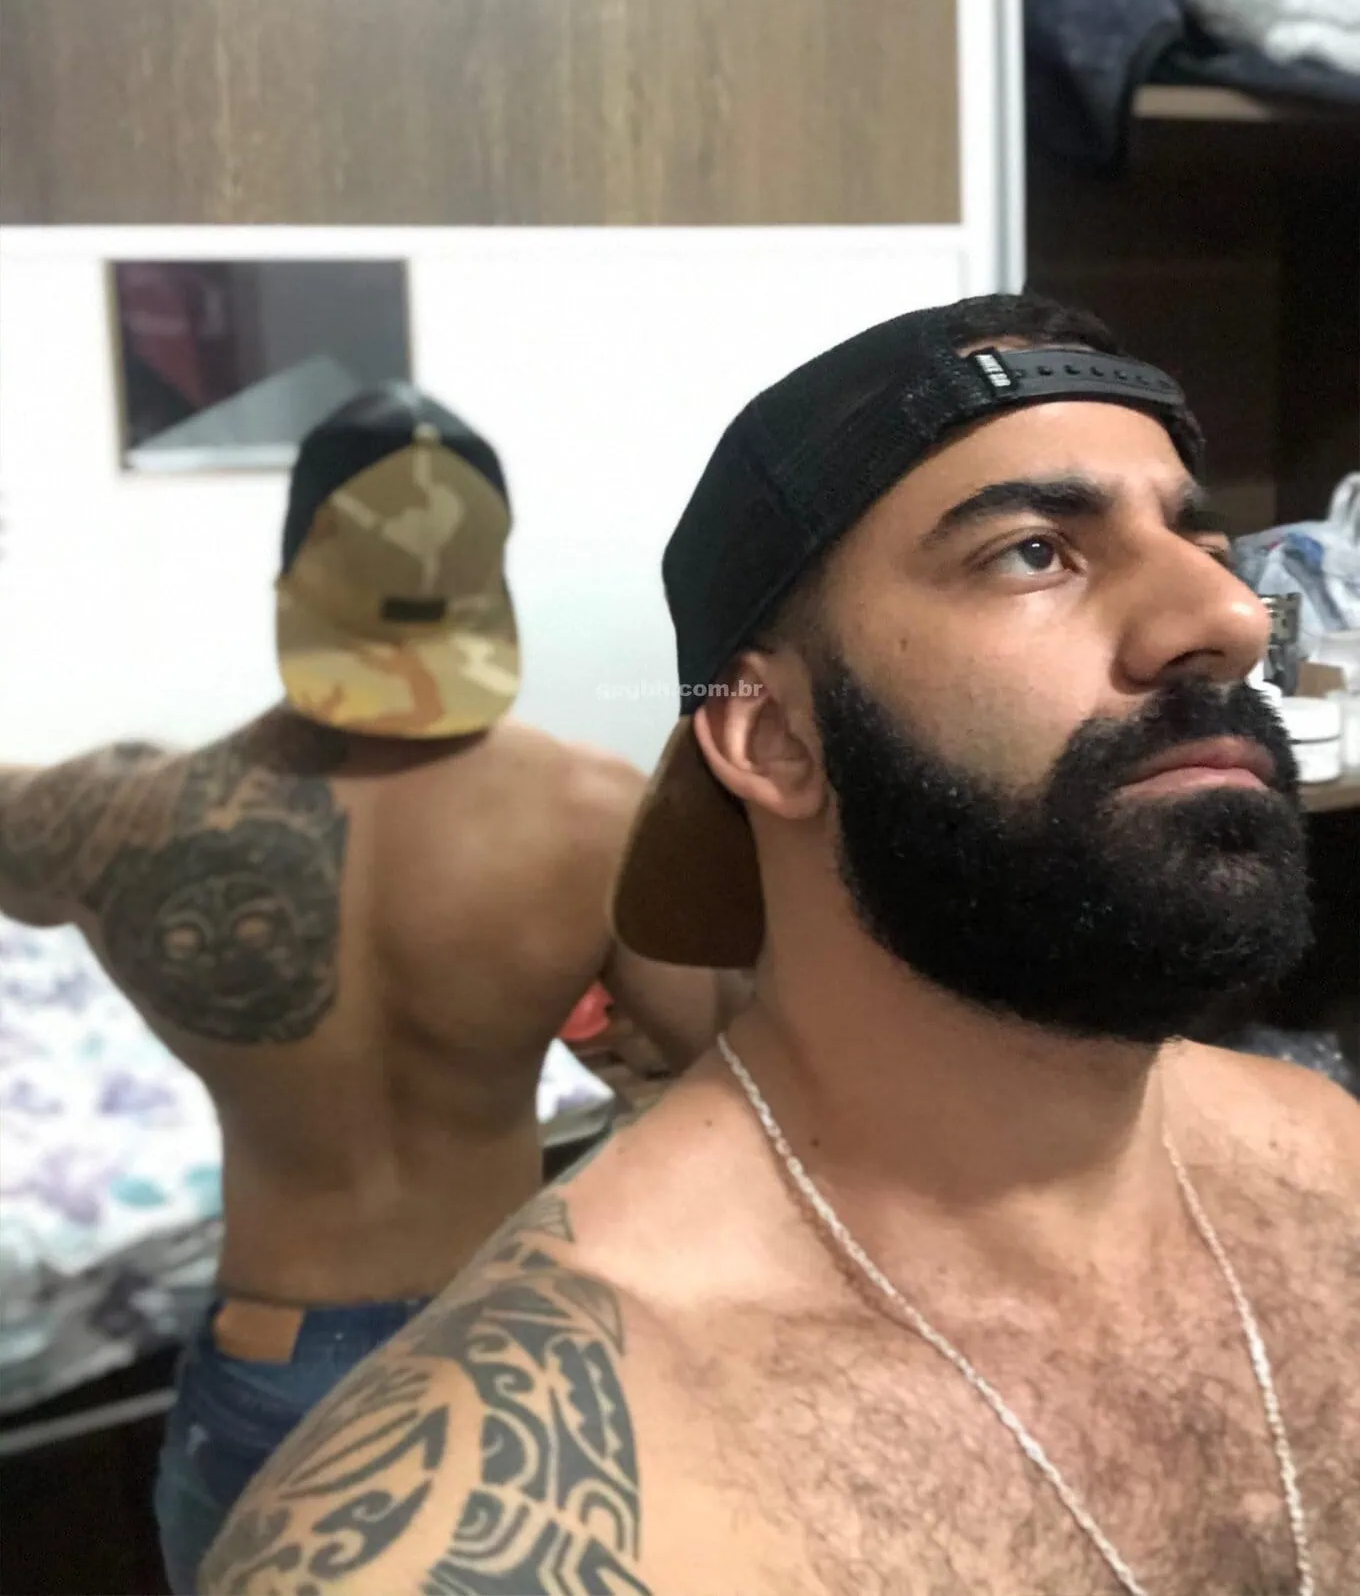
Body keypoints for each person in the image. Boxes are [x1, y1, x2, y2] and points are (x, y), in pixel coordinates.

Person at [201, 298, 1359, 1596]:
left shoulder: (1326, 1156)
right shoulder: (503, 1512)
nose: (1232, 613)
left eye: (1203, 542)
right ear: (773, 735)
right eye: (1034, 550)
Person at [0, 384, 744, 1595]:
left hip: (270, 1363)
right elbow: (726, 1068)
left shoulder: (128, 817)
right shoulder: (592, 813)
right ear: (489, 585)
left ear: (292, 576)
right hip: (498, 1337)